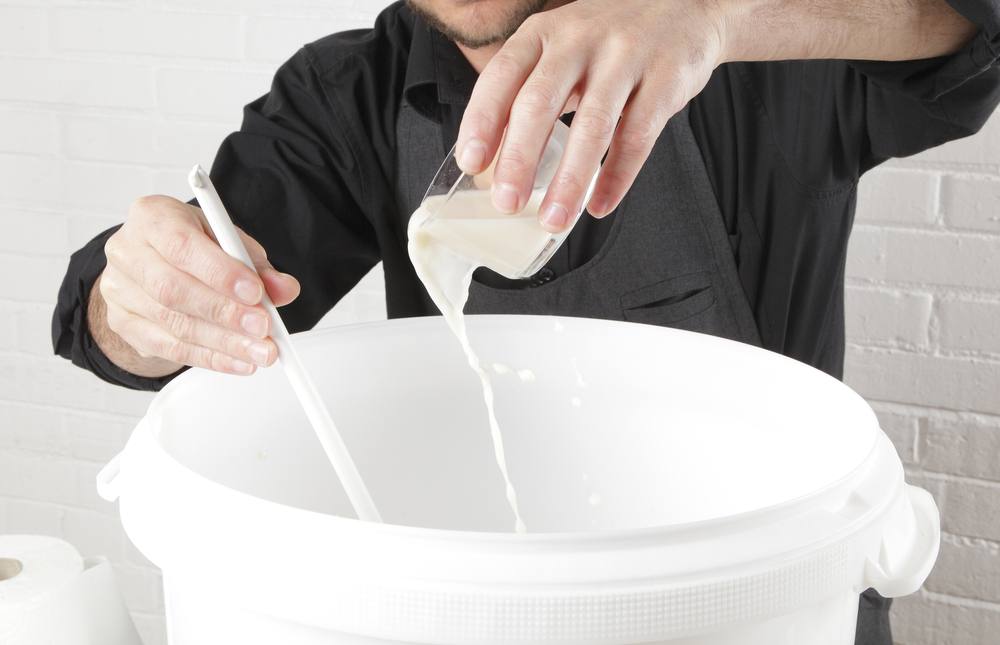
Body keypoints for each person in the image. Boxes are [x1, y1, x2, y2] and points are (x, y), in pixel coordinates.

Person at [52, 1, 1000, 641]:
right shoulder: (353, 96)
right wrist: (134, 295)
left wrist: (717, 19)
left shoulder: (751, 48)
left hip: (761, 607)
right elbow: (131, 316)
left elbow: (973, 29)